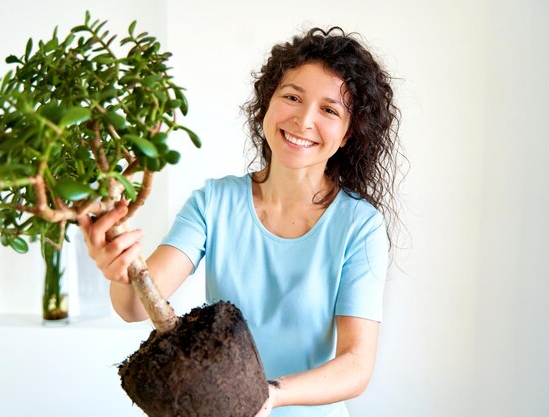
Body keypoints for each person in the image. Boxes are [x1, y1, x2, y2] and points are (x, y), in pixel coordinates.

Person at [79, 26, 402, 417]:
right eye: (292, 97)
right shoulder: (215, 202)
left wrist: (267, 394)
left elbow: (356, 366)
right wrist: (117, 268)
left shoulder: (358, 225)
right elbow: (134, 306)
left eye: (329, 109)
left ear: (349, 133)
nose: (303, 120)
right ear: (268, 103)